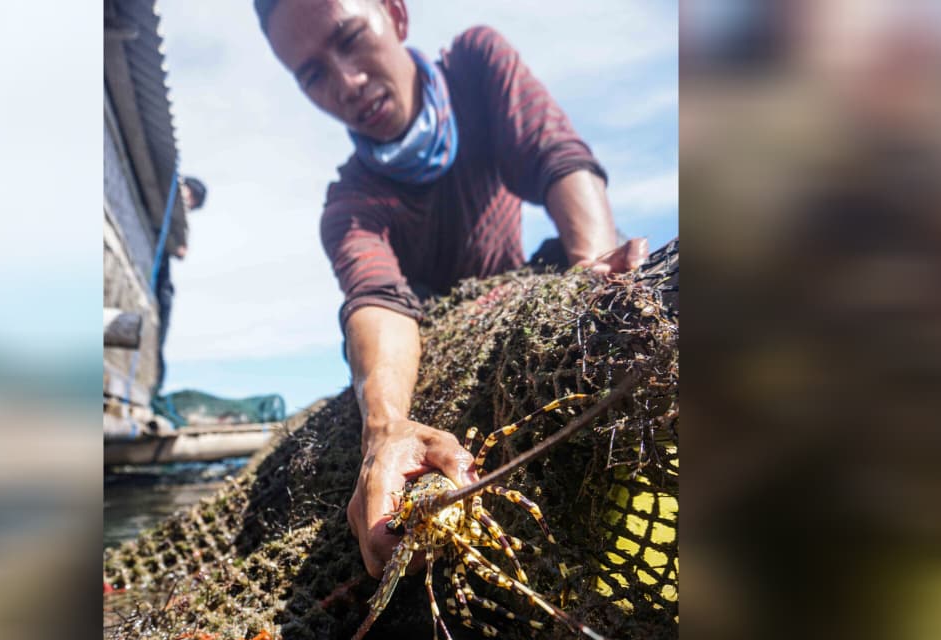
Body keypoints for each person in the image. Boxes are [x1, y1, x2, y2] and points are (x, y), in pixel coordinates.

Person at [256, 0, 649, 580]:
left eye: (350, 38)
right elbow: (377, 299)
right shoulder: (350, 207)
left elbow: (556, 155)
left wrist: (591, 266)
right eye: (313, 74)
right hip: (430, 349)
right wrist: (385, 426)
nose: (347, 82)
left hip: (518, 318)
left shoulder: (474, 66)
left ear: (396, 15)